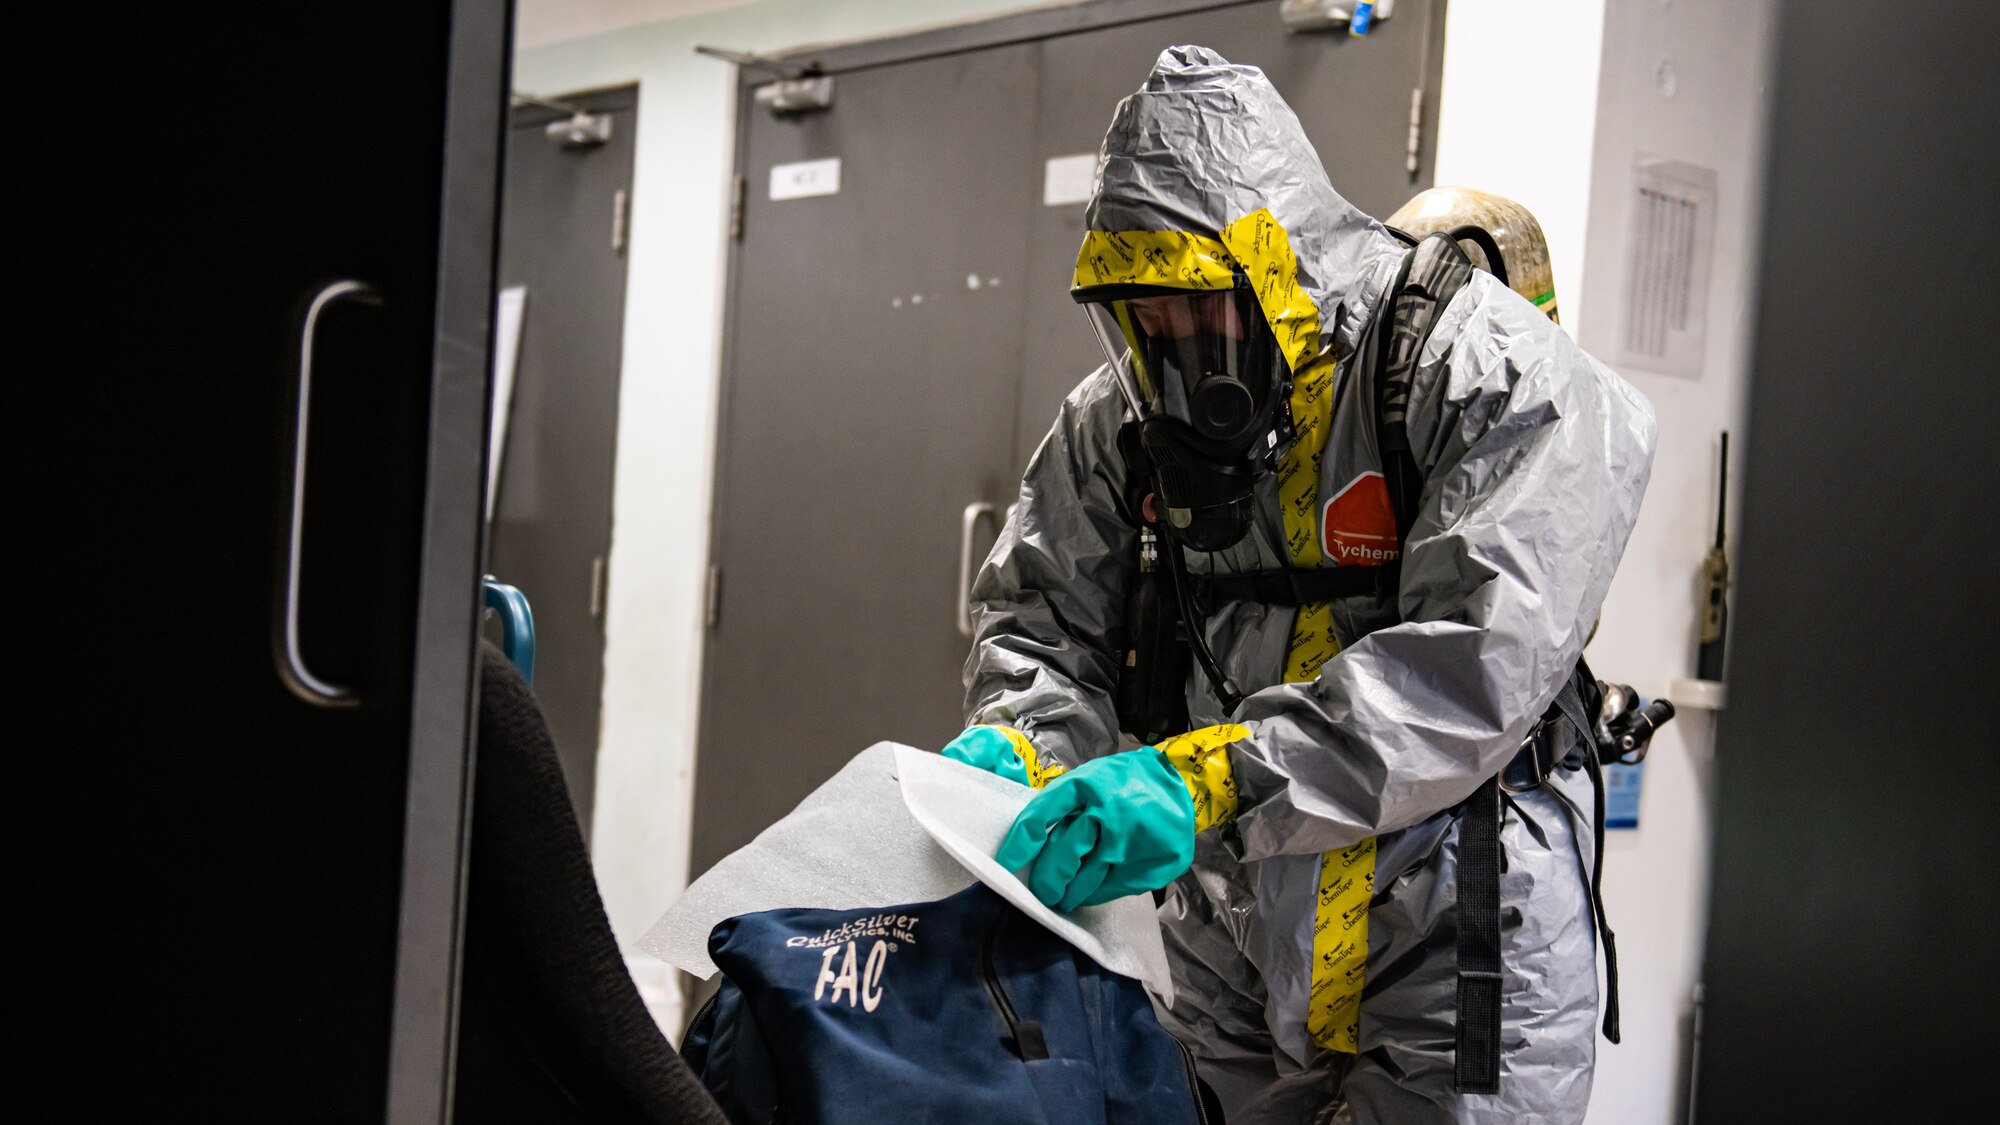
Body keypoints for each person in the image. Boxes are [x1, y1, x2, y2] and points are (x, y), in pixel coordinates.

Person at [942, 47, 1656, 1124]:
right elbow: (1039, 622)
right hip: (1221, 940)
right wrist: (1028, 739)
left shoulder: (1490, 375)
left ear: (1276, 266)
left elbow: (1472, 668)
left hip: (1455, 944)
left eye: (1197, 309)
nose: (1171, 349)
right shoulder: (1117, 419)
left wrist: (1204, 785)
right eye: (1143, 313)